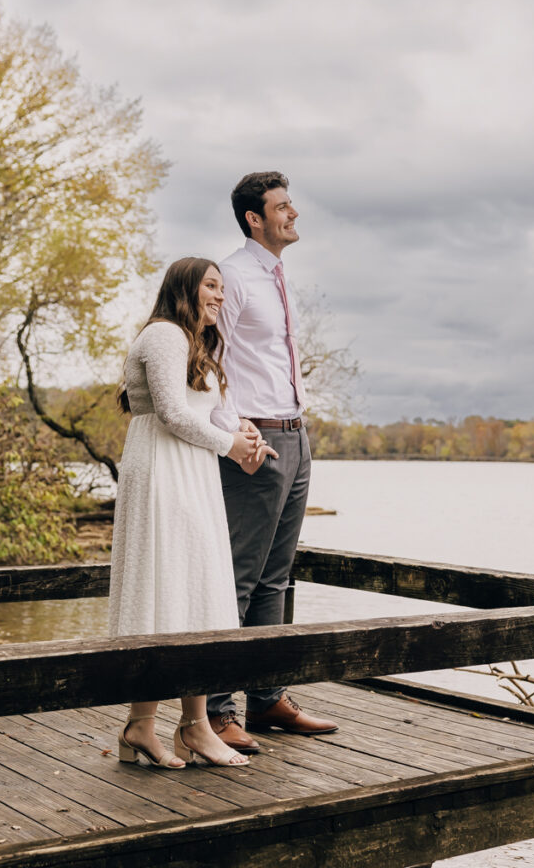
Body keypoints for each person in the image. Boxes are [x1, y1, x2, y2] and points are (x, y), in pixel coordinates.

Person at [109, 256, 268, 769]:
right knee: (165, 588)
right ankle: (149, 726)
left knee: (195, 587)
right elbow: (173, 414)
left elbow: (207, 412)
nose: (221, 296)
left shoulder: (194, 342)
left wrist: (244, 433)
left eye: (223, 288)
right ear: (185, 289)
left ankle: (188, 727)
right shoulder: (163, 336)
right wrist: (228, 446)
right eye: (212, 287)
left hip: (190, 473)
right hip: (162, 471)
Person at [208, 171, 338, 752]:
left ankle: (265, 700)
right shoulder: (232, 276)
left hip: (295, 432)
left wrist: (298, 423)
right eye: (282, 207)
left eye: (292, 204)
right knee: (237, 576)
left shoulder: (278, 275)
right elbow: (212, 356)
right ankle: (215, 710)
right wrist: (237, 427)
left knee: (277, 578)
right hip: (255, 438)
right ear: (253, 219)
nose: (293, 213)